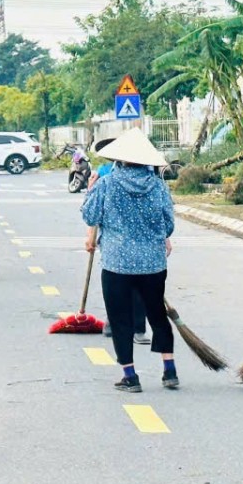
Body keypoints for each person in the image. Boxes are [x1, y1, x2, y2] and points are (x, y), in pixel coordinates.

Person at [80, 129, 178, 392]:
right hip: (153, 264)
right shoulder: (158, 186)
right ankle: (169, 370)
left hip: (117, 264)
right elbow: (169, 225)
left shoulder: (106, 183)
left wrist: (90, 191)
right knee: (157, 314)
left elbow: (90, 217)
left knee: (120, 319)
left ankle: (130, 376)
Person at [86, 133, 151, 346]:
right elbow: (96, 213)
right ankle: (114, 322)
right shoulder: (104, 174)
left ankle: (138, 327)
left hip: (134, 241)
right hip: (121, 240)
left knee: (138, 286)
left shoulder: (148, 176)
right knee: (117, 286)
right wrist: (90, 237)